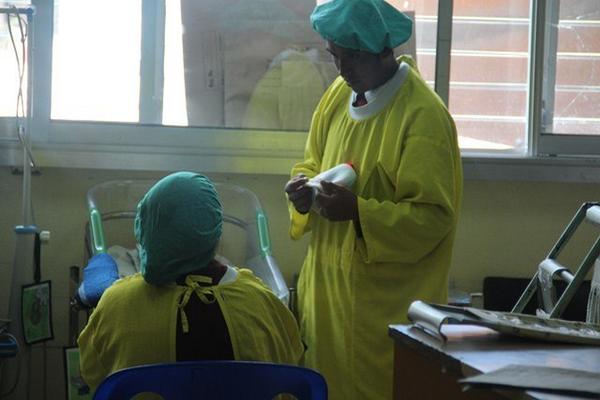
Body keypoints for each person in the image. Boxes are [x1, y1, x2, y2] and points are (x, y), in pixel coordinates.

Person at [284, 0, 463, 399]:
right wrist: (302, 191)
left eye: (352, 57)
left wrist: (358, 212)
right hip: (328, 300)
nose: (342, 68)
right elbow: (313, 159)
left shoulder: (422, 117)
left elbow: (433, 219)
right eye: (335, 56)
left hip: (385, 314)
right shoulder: (337, 96)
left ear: (385, 50)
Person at [79, 172, 303, 391]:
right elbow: (290, 373)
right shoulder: (264, 303)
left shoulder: (116, 305)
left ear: (144, 228)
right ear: (215, 232)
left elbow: (95, 377)